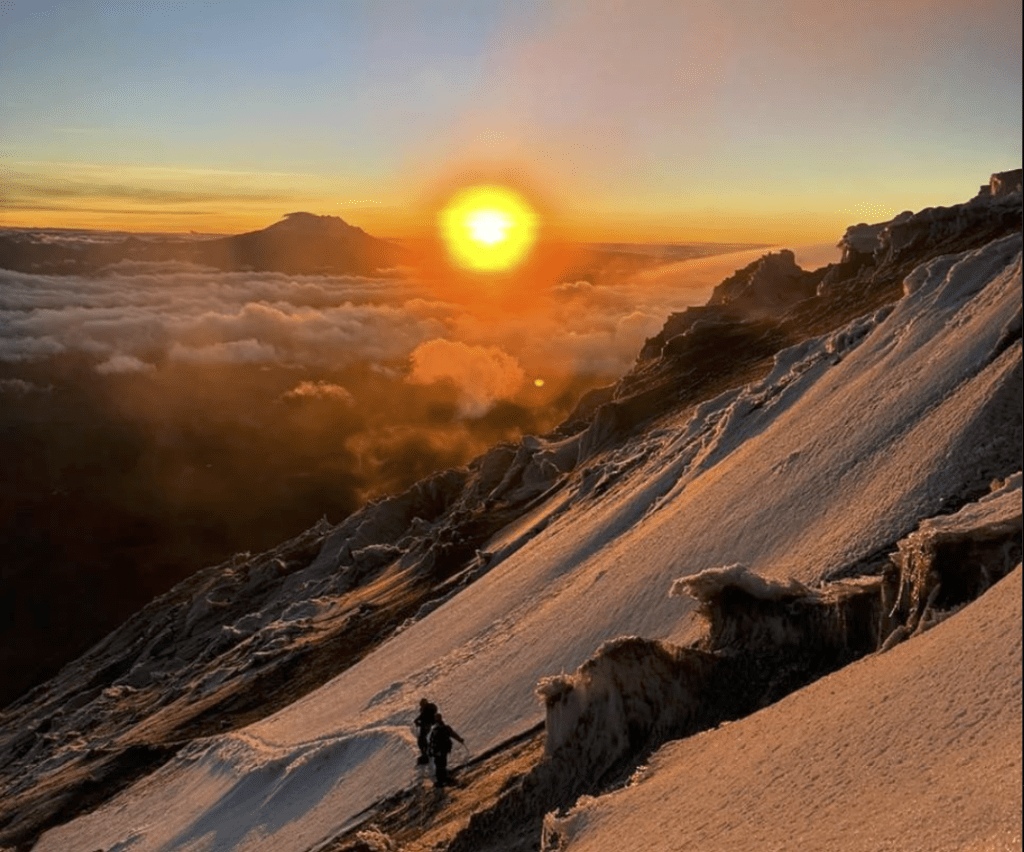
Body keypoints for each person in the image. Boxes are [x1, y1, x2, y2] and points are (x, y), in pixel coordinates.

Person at [428, 712, 464, 788]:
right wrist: (460, 740)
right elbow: (453, 734)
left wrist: (431, 751)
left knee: (439, 764)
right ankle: (443, 780)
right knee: (441, 764)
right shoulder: (444, 728)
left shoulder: (435, 730)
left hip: (438, 751)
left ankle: (441, 780)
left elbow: (431, 741)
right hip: (443, 750)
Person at [413, 698, 438, 765]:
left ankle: (425, 755)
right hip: (425, 726)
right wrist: (417, 721)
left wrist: (418, 722)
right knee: (422, 739)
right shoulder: (426, 710)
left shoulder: (427, 710)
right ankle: (426, 753)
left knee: (422, 740)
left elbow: (423, 717)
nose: (421, 706)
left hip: (426, 726)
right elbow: (422, 717)